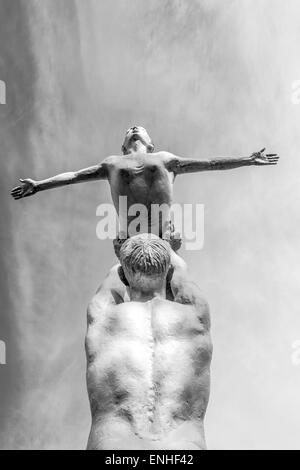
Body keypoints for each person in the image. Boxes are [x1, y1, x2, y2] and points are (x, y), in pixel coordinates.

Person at [10, 126, 279, 255]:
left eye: (139, 129)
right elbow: (74, 177)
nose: (134, 128)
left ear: (151, 144)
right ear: (123, 145)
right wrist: (39, 185)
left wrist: (246, 160)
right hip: (129, 238)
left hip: (164, 236)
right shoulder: (112, 163)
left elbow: (210, 164)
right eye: (129, 130)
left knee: (176, 286)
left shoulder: (164, 158)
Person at [85, 234, 212, 450]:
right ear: (169, 271)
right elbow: (182, 275)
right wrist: (171, 250)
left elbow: (113, 278)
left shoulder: (102, 315)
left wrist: (123, 253)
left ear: (124, 275)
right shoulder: (195, 313)